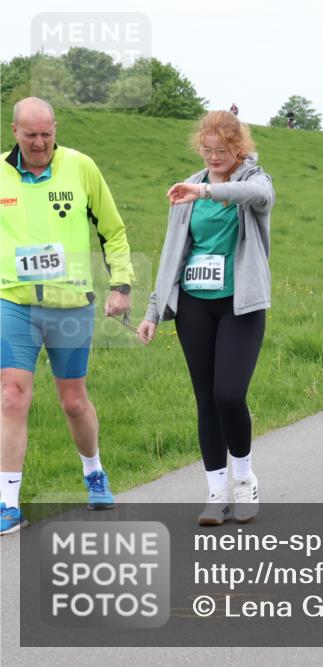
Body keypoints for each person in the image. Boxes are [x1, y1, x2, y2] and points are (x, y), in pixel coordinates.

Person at [1, 97, 135, 535]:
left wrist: (121, 285)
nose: (40, 144)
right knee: (11, 395)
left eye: (47, 134)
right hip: (13, 302)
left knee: (73, 400)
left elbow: (112, 230)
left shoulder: (80, 167)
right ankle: (7, 501)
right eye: (31, 135)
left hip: (70, 305)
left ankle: (94, 472)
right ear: (15, 131)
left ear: (55, 129)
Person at [137, 110, 275, 526]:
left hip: (241, 304)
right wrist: (153, 311)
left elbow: (259, 199)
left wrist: (205, 194)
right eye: (208, 150)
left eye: (223, 151)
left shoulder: (255, 180)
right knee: (205, 398)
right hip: (195, 305)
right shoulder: (189, 186)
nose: (214, 157)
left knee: (229, 394)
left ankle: (245, 479)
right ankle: (216, 492)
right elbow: (171, 253)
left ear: (239, 149)